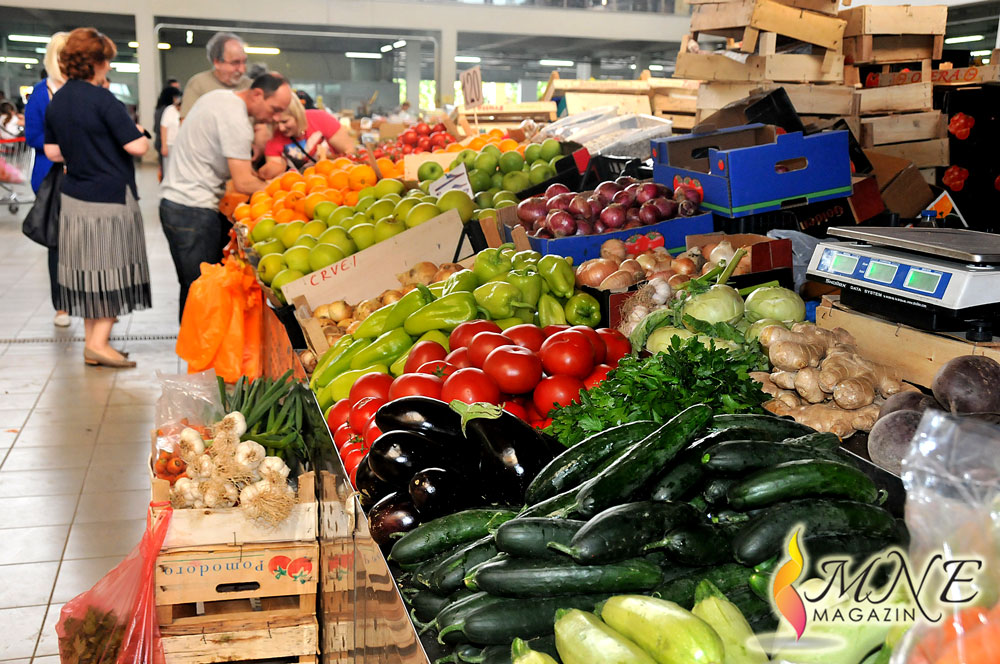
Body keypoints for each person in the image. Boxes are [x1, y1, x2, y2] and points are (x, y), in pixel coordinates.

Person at [44, 27, 152, 368]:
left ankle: (93, 344)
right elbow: (138, 146)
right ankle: (99, 343)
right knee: (112, 267)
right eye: (107, 60)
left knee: (90, 271)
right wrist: (139, 133)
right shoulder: (104, 100)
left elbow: (52, 152)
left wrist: (85, 149)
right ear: (96, 63)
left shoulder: (58, 99)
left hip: (74, 197)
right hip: (110, 197)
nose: (109, 66)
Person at [160, 73, 293, 317]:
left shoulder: (219, 98)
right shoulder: (236, 119)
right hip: (193, 209)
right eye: (275, 109)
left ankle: (193, 340)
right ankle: (198, 341)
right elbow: (243, 181)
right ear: (257, 94)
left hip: (177, 204)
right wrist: (284, 190)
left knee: (194, 288)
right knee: (203, 292)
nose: (276, 118)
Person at [23, 31, 70, 328]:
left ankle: (96, 304)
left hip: (85, 176)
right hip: (52, 177)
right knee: (58, 243)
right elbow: (32, 136)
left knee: (88, 241)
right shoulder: (42, 92)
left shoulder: (85, 88)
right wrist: (64, 147)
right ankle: (61, 306)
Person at [259, 95, 354, 178]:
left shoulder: (321, 119)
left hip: (335, 179)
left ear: (297, 114)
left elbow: (350, 151)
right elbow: (276, 176)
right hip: (301, 187)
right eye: (275, 123)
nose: (281, 128)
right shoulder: (274, 138)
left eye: (285, 121)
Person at [179, 32, 250, 119]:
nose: (242, 70)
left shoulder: (251, 86)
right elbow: (186, 123)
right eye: (235, 63)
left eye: (244, 62)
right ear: (217, 62)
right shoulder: (198, 85)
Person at [153, 85, 182, 180]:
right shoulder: (167, 109)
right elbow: (162, 128)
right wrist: (164, 145)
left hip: (178, 144)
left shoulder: (183, 111)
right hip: (167, 143)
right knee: (167, 169)